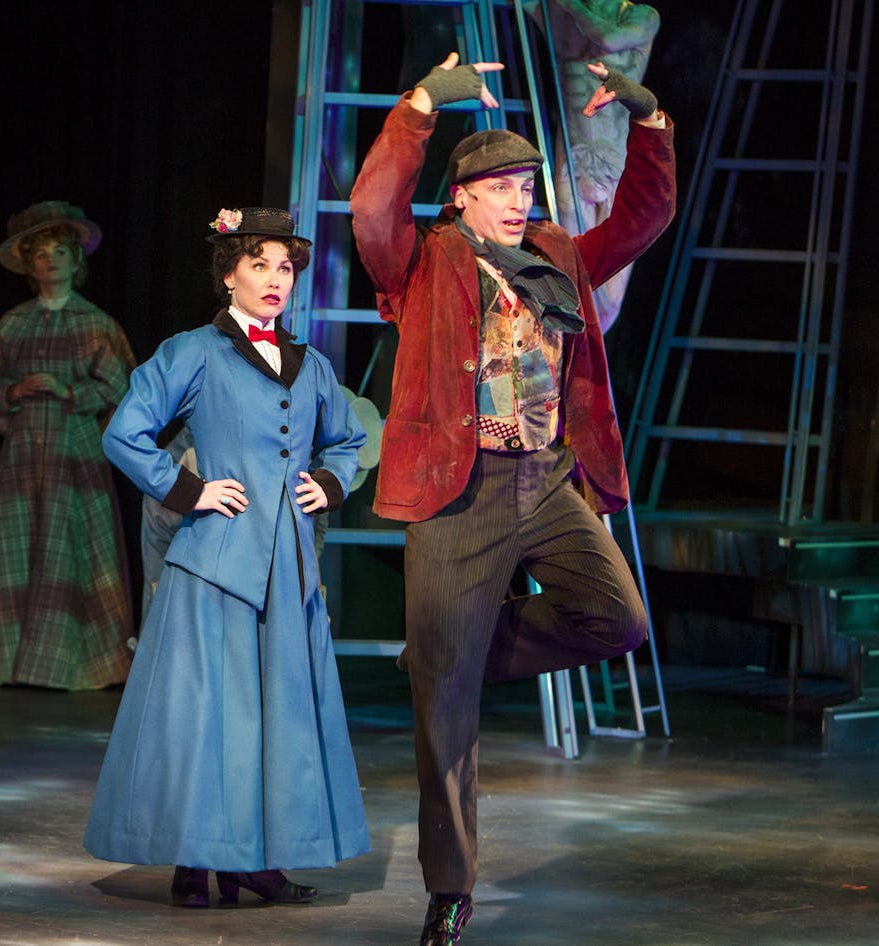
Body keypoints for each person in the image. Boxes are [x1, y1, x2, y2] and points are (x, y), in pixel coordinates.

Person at [349, 52, 675, 944]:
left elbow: (644, 220)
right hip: (459, 490)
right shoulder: (422, 262)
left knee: (617, 619)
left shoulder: (559, 257)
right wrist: (416, 107)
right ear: (461, 197)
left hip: (547, 478)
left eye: (525, 183)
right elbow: (373, 209)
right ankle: (450, 887)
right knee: (446, 718)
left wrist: (650, 126)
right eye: (499, 186)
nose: (517, 198)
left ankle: (445, 659)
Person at [83, 207, 369, 907]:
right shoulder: (192, 352)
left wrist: (329, 482)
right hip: (214, 567)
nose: (276, 279)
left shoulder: (312, 364)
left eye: (286, 267)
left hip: (288, 571)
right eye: (260, 265)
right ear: (229, 275)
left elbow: (349, 440)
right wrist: (190, 489)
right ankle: (193, 860)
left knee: (277, 720)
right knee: (205, 718)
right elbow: (125, 433)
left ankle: (258, 860)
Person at [0, 200, 136, 690]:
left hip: (76, 452)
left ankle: (73, 665)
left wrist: (70, 391)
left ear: (77, 261)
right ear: (30, 266)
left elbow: (123, 390)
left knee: (72, 550)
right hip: (23, 452)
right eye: (41, 253)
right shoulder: (14, 323)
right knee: (19, 548)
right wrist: (13, 391)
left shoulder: (96, 323)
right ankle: (13, 662)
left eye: (60, 251)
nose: (51, 260)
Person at [525, 0, 661, 332]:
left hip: (618, 167)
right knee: (572, 283)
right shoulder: (561, 17)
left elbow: (609, 39)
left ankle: (596, 370)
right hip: (574, 163)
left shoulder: (639, 16)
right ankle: (572, 369)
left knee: (610, 302)